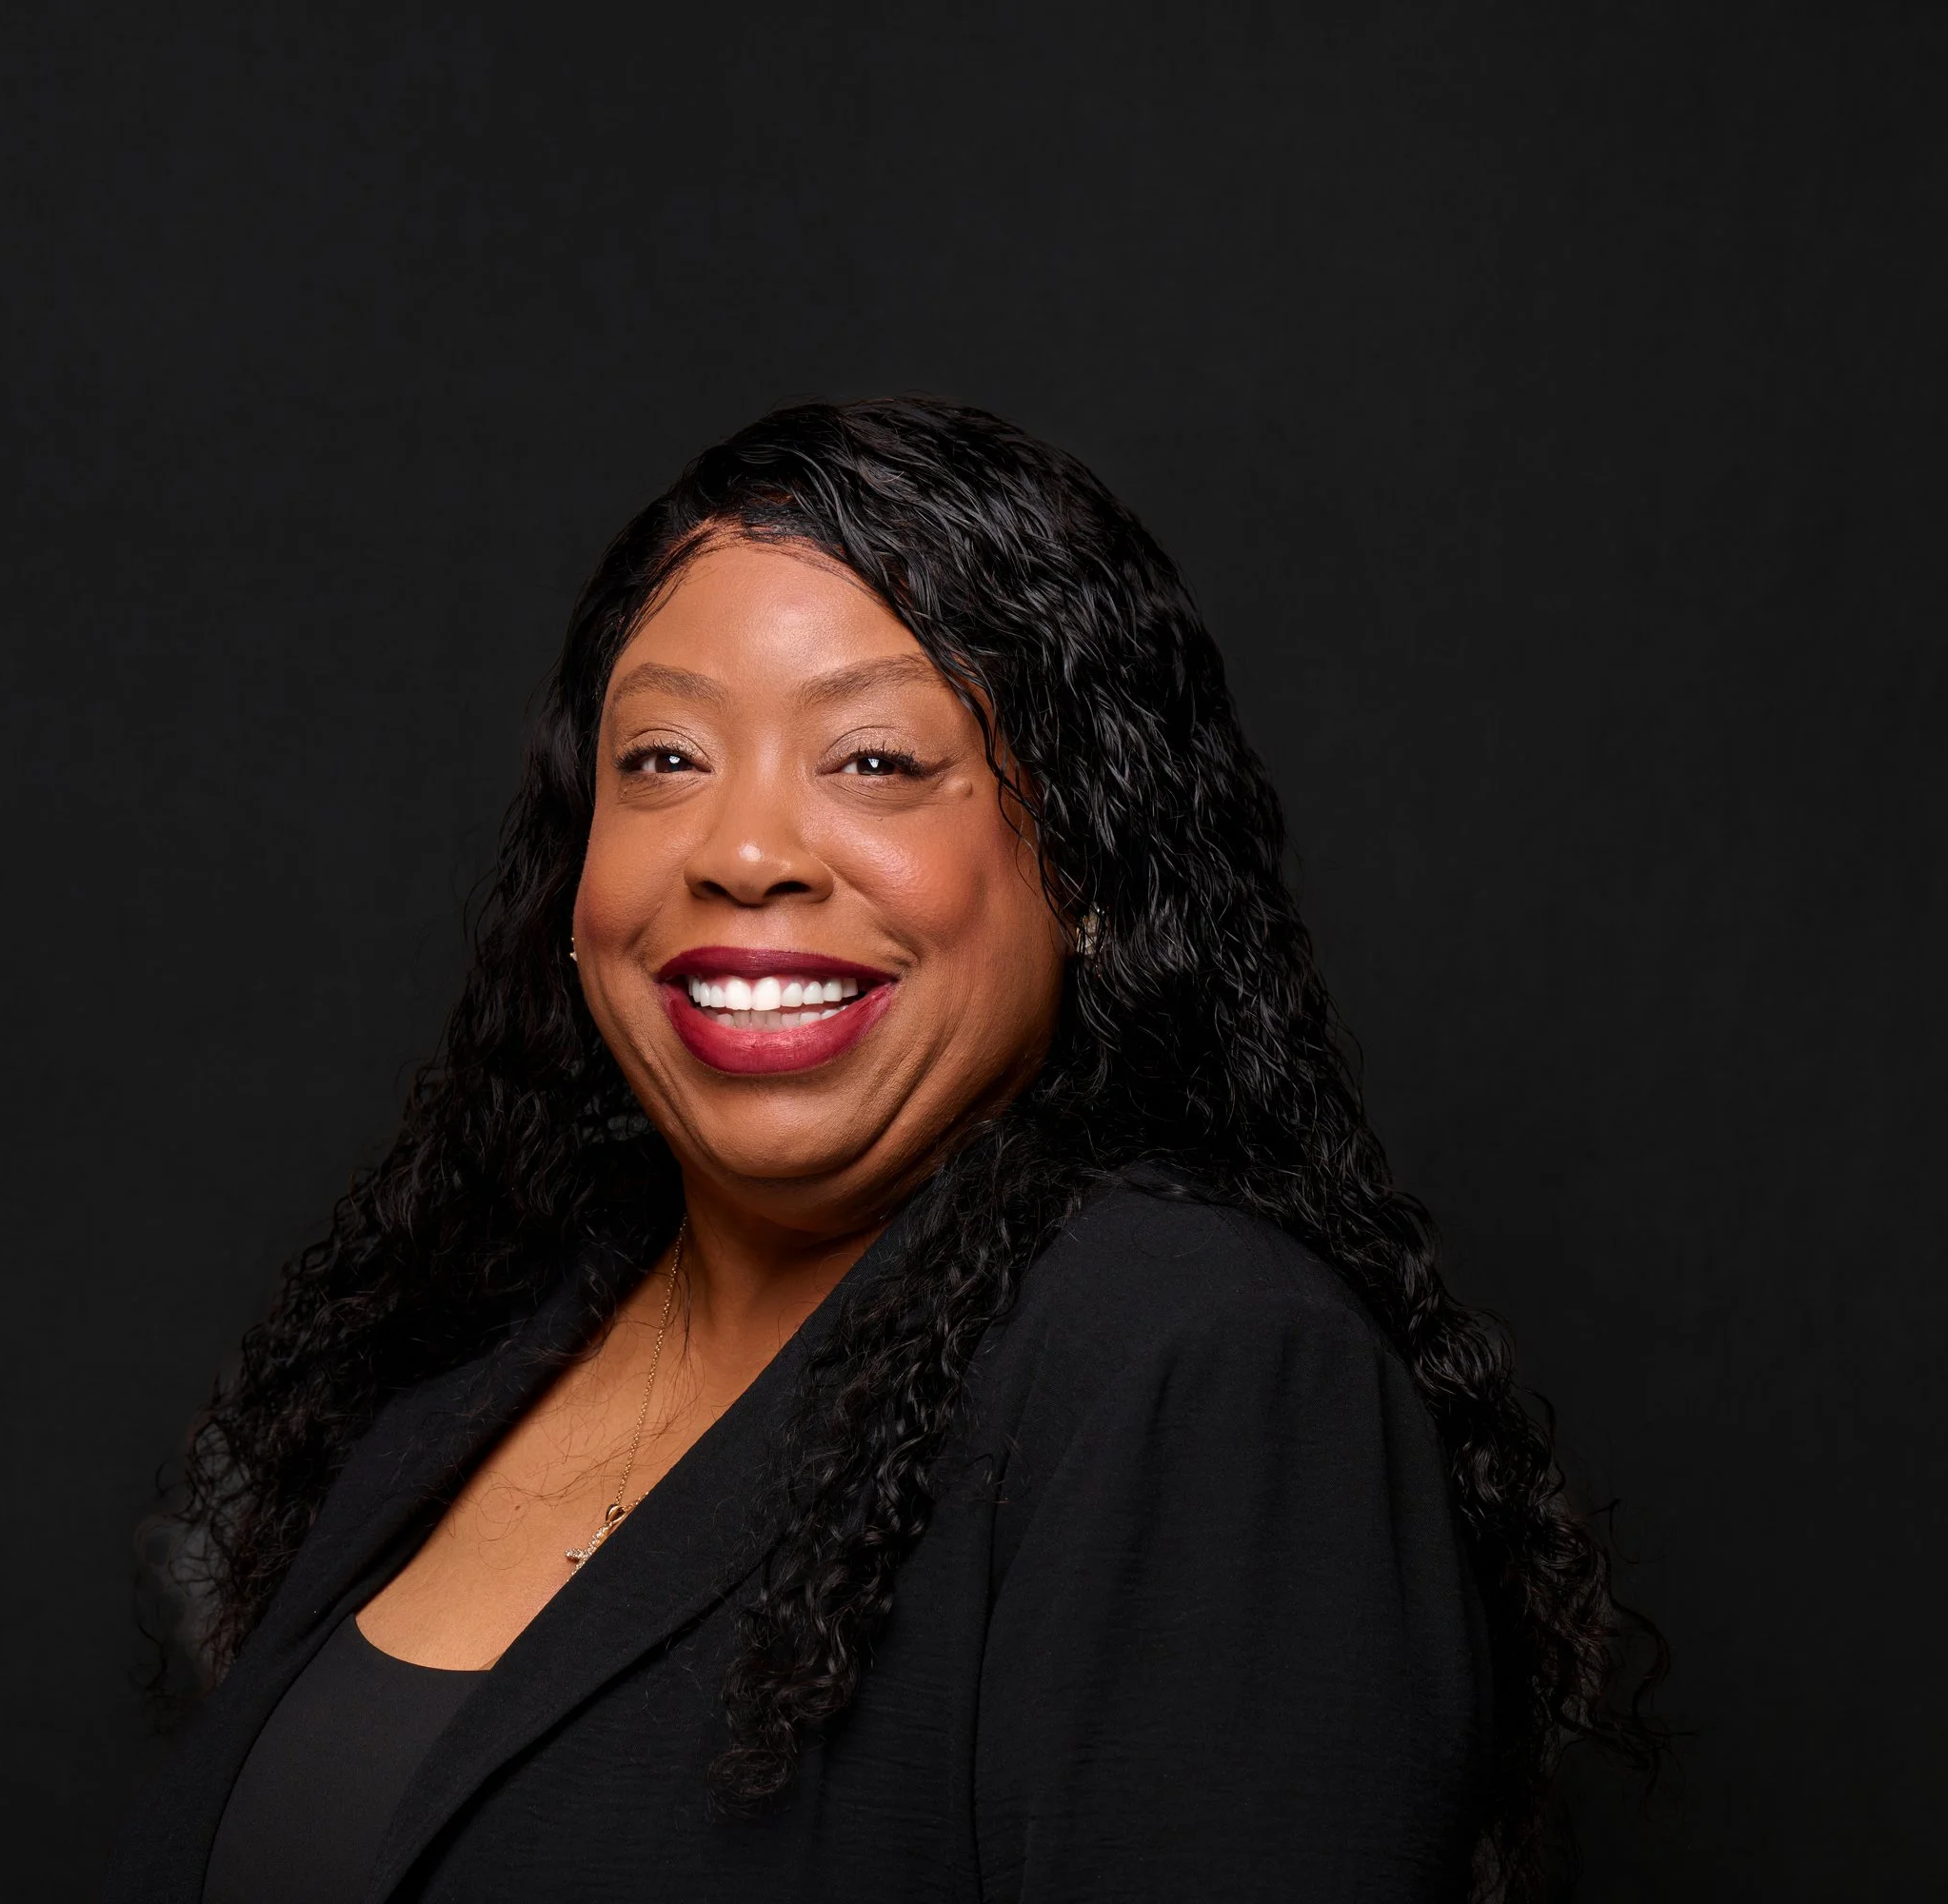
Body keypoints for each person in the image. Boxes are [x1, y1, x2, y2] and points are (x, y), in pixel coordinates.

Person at [106, 398, 1647, 1902]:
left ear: (1091, 871)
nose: (743, 850)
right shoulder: (467, 1355)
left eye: (874, 762)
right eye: (662, 761)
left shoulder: (1204, 1370)